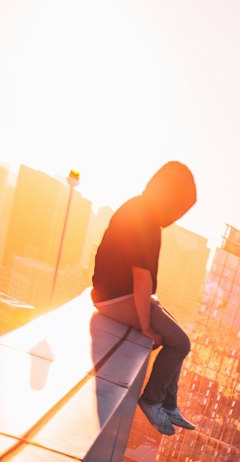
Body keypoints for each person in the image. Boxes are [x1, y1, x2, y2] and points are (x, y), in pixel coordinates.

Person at [91, 162, 198, 436]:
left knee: (177, 336)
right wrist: (146, 326)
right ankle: (151, 401)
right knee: (180, 343)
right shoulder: (144, 219)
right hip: (115, 298)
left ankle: (169, 404)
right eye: (179, 209)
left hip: (115, 294)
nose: (177, 217)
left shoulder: (141, 210)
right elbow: (141, 278)